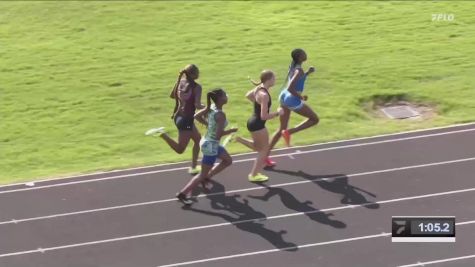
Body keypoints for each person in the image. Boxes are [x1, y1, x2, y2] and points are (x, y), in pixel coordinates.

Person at [176, 88, 237, 205]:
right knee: (201, 175)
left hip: (207, 141)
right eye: (225, 95)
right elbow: (218, 135)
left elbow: (196, 116)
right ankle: (182, 194)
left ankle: (208, 176)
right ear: (220, 99)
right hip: (211, 146)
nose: (227, 96)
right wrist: (230, 131)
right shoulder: (220, 115)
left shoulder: (212, 108)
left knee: (228, 160)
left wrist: (208, 124)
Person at [145, 64, 203, 174]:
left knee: (198, 139)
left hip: (178, 117)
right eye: (197, 72)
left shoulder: (180, 82)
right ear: (192, 74)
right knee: (180, 149)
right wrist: (209, 107)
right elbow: (198, 105)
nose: (199, 73)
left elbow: (172, 95)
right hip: (186, 120)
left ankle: (194, 166)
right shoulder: (197, 87)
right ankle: (162, 134)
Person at [266, 48, 319, 165]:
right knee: (315, 119)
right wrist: (301, 97)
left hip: (283, 96)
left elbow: (297, 80)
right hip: (292, 98)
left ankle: (265, 156)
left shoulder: (294, 67)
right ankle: (290, 132)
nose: (306, 53)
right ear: (300, 57)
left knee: (281, 129)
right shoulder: (298, 70)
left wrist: (307, 73)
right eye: (303, 53)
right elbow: (291, 87)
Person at [235, 70, 283, 182]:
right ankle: (254, 175)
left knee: (258, 147)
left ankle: (238, 139)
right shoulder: (265, 95)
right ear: (269, 80)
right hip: (258, 124)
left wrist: (258, 103)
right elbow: (264, 116)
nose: (275, 80)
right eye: (274, 78)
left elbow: (248, 95)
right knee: (264, 150)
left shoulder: (259, 89)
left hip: (253, 122)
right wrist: (277, 113)